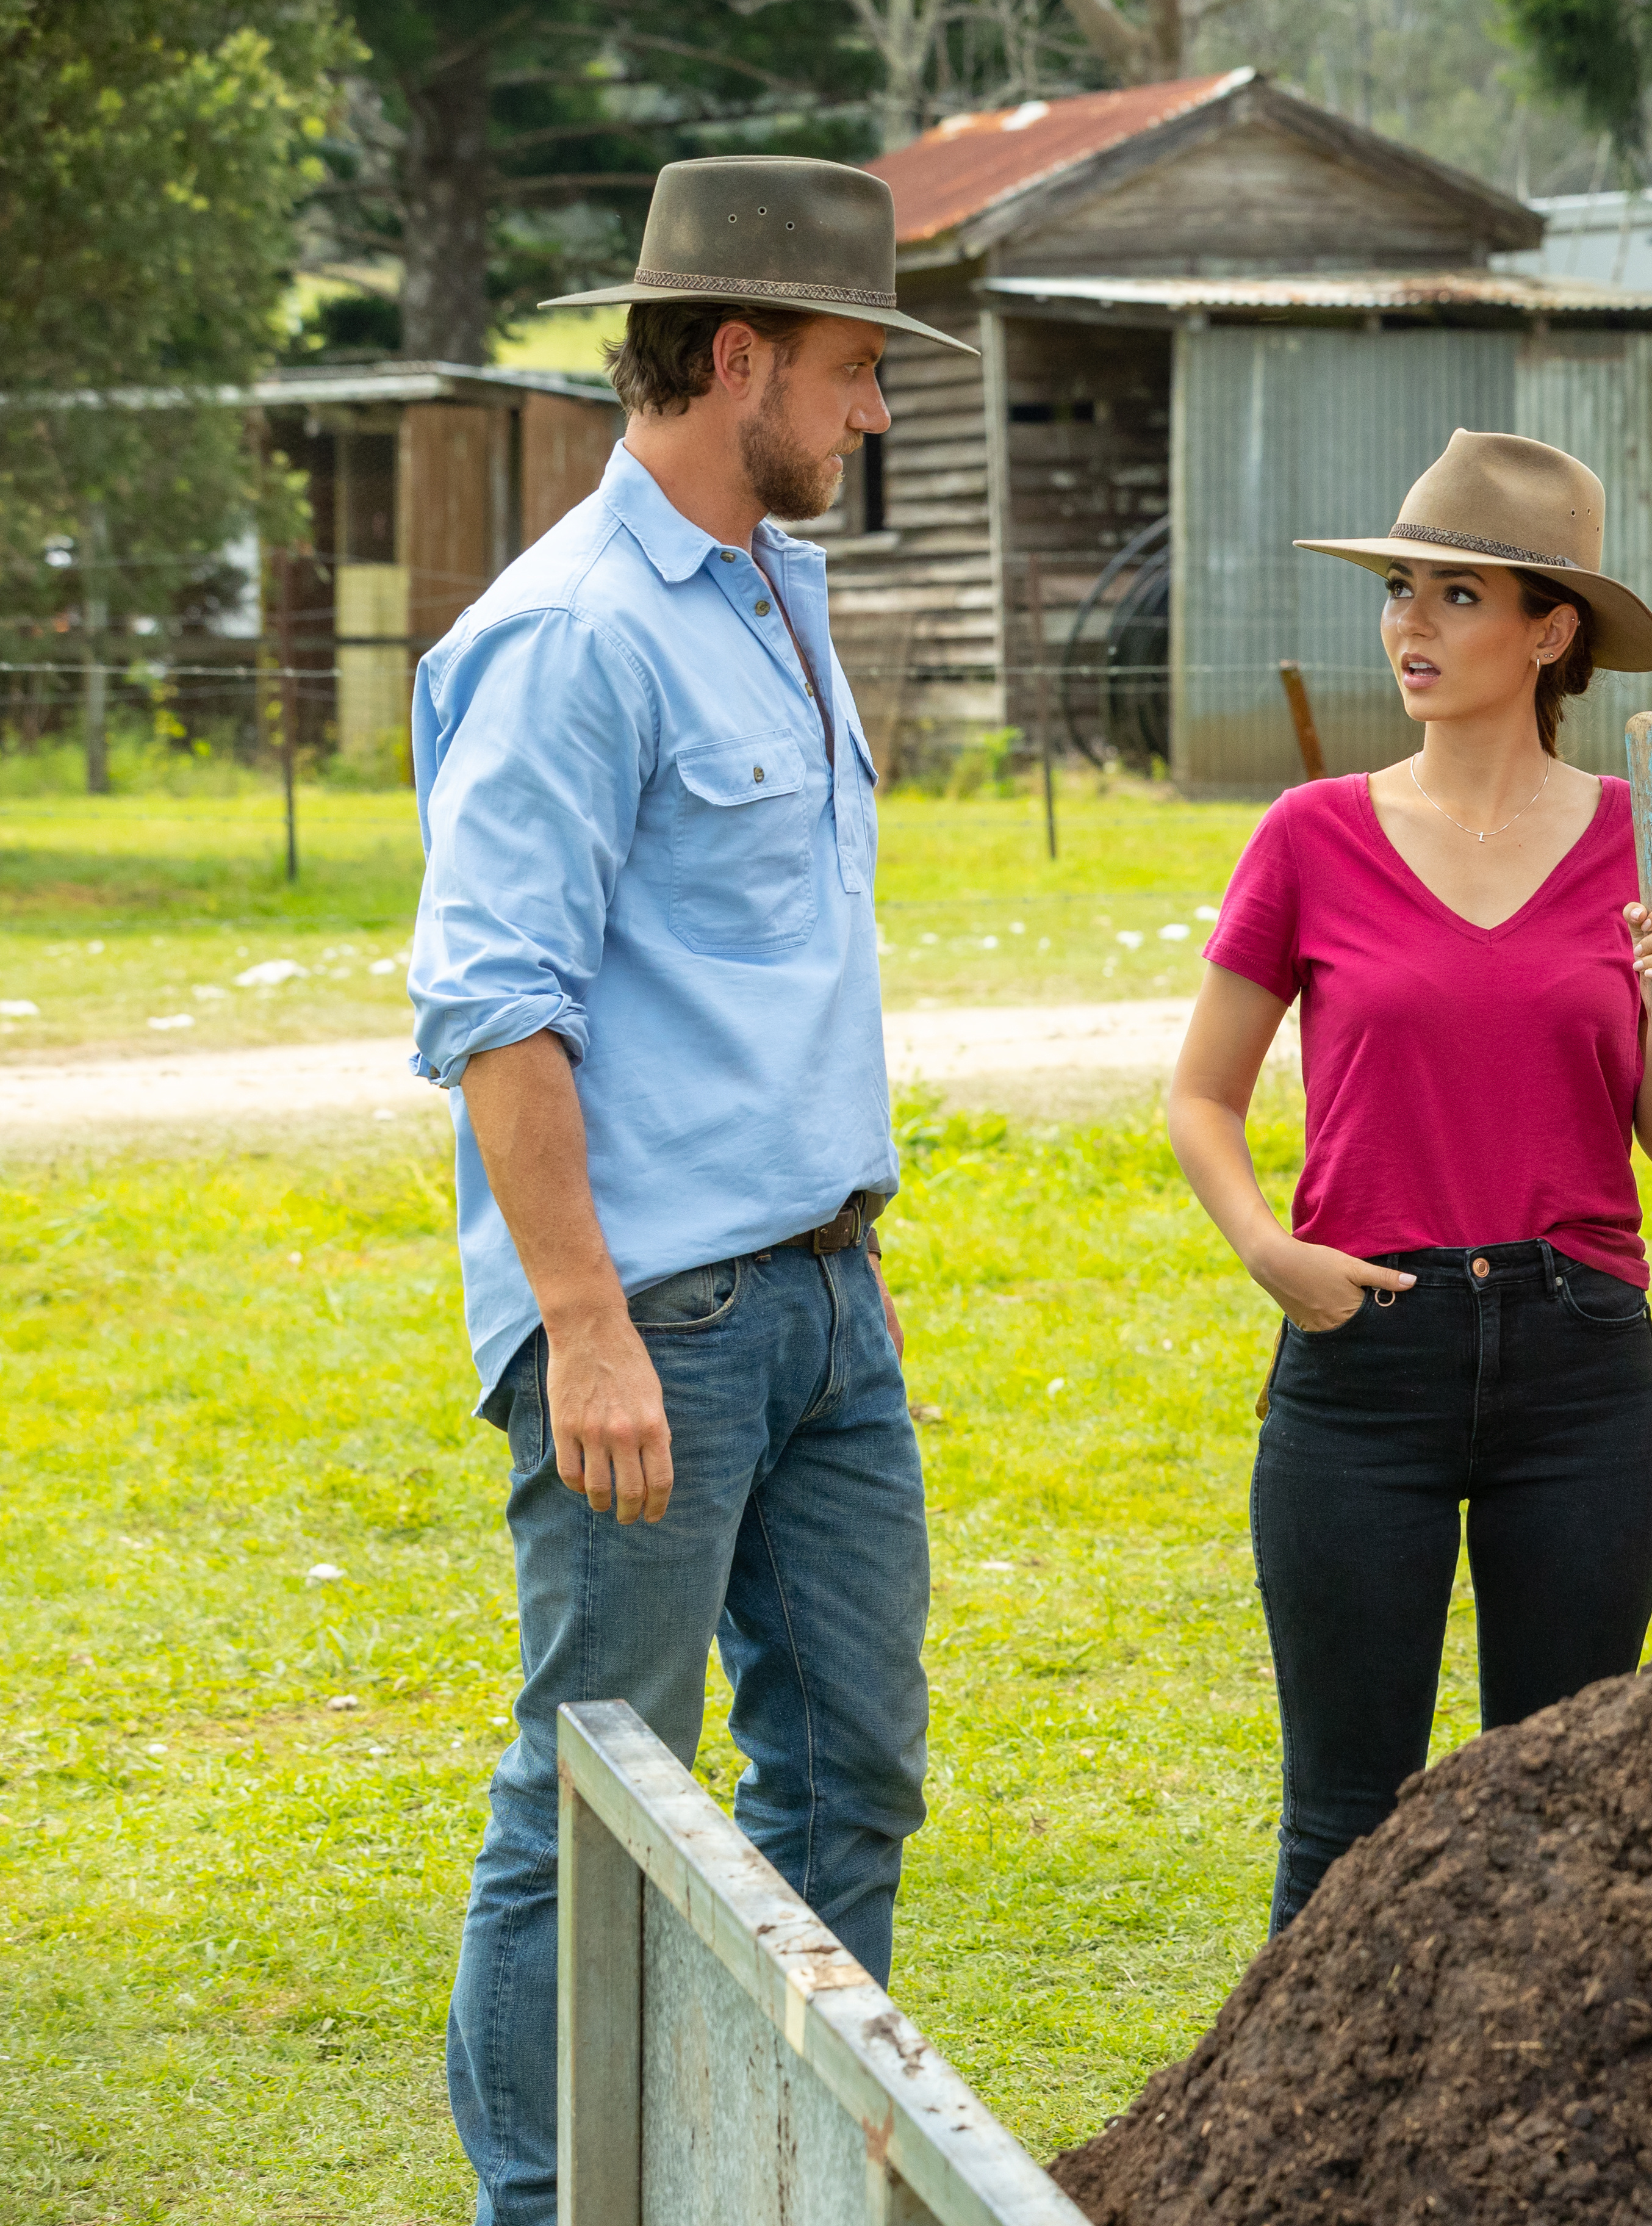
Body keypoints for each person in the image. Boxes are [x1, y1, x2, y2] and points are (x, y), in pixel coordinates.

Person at [404, 157, 977, 2226]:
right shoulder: (565, 638)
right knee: (598, 1788)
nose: (877, 412)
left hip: (825, 1300)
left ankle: (790, 2177)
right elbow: (498, 1013)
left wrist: (854, 1255)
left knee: (851, 1773)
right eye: (850, 368)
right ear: (732, 355)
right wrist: (582, 1319)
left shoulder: (775, 598)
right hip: (657, 1320)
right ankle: (551, 2200)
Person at [1168, 429, 1652, 1931]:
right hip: (1366, 1355)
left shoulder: (1645, 841)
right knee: (1345, 1827)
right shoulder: (1312, 838)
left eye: (1457, 596)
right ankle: (1306, 2162)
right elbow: (1202, 1095)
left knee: (1561, 1817)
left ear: (1552, 632)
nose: (1411, 626)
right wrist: (1263, 1250)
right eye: (1402, 591)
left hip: (1580, 1364)